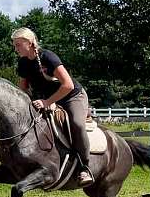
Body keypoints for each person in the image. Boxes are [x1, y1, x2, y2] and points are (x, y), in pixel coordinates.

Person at [11, 27, 93, 186]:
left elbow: (68, 85)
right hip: (47, 99)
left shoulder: (48, 57)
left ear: (30, 43)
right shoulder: (23, 63)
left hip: (72, 97)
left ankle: (85, 168)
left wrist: (47, 102)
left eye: (18, 45)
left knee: (76, 123)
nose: (16, 49)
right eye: (15, 45)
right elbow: (23, 89)